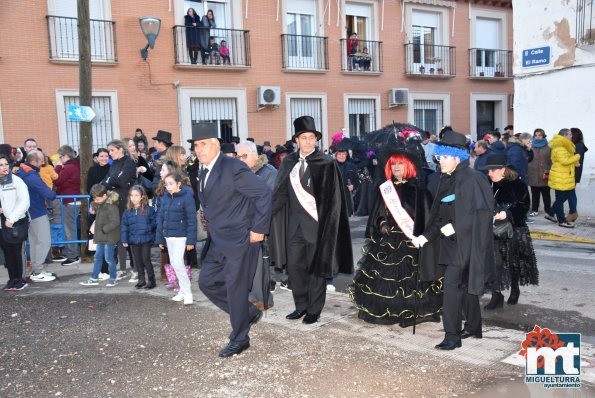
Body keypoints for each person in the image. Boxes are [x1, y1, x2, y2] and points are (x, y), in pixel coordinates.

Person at [191, 122, 272, 358]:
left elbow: (263, 193)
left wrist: (259, 228)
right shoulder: (203, 169)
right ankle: (247, 312)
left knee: (235, 289)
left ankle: (240, 338)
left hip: (240, 239)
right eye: (196, 145)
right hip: (218, 240)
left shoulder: (232, 167)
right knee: (207, 282)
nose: (199, 149)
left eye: (203, 144)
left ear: (215, 145)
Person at [414, 129, 494, 350]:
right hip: (450, 246)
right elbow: (439, 216)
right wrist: (425, 237)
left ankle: (452, 336)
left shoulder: (474, 179)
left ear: (458, 157)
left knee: (451, 288)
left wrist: (457, 227)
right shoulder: (446, 180)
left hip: (467, 246)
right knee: (465, 287)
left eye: (445, 157)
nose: (441, 161)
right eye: (439, 157)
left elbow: (483, 214)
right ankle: (473, 326)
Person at [270, 116, 353, 324]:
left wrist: (329, 228)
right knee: (296, 269)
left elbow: (334, 201)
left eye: (311, 138)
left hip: (317, 226)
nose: (307, 141)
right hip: (293, 226)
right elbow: (280, 194)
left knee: (317, 270)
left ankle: (314, 310)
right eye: (303, 138)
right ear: (296, 140)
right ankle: (301, 306)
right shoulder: (288, 162)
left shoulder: (326, 163)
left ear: (316, 140)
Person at [350, 148, 442, 326]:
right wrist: (382, 223)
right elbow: (378, 213)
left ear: (408, 165)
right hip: (387, 241)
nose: (396, 167)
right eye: (393, 164)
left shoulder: (419, 189)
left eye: (400, 163)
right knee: (385, 279)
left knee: (411, 279)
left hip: (411, 240)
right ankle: (388, 312)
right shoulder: (385, 189)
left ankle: (412, 310)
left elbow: (427, 217)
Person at [484, 154, 538, 310]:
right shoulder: (487, 183)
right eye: (488, 171)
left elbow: (524, 204)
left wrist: (507, 213)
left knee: (513, 262)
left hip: (513, 230)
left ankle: (515, 288)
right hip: (491, 230)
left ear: (502, 170)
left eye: (492, 170)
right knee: (495, 264)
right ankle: (497, 295)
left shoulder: (517, 184)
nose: (489, 174)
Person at [235, 140, 278, 310]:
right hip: (242, 224)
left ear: (255, 155)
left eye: (244, 156)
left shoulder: (268, 172)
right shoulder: (240, 174)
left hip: (260, 225)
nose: (240, 160)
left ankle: (261, 299)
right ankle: (249, 296)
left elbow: (266, 201)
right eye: (238, 156)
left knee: (260, 264)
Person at [156, 173, 197, 305]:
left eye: (171, 183)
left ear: (179, 183)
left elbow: (192, 220)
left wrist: (191, 240)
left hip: (181, 236)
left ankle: (187, 292)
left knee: (178, 263)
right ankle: (183, 291)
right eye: (166, 184)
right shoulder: (165, 197)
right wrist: (160, 239)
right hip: (168, 236)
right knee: (174, 264)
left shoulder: (187, 197)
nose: (168, 186)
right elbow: (161, 218)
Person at [16, 151, 56, 282]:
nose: (43, 163)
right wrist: (52, 193)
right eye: (41, 161)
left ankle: (36, 270)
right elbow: (48, 193)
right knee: (44, 241)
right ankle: (38, 270)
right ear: (34, 162)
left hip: (29, 212)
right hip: (37, 211)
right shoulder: (31, 176)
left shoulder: (22, 172)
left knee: (34, 243)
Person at [101, 139, 138, 281]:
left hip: (126, 204)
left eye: (112, 150)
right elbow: (105, 181)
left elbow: (122, 181)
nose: (110, 154)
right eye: (109, 151)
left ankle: (136, 269)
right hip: (115, 204)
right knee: (119, 238)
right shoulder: (115, 164)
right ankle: (122, 268)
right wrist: (113, 180)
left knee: (129, 237)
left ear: (121, 149)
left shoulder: (128, 162)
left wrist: (112, 181)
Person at [0, 154, 31, 291]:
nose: (4, 167)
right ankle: (12, 279)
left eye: (6, 164)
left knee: (17, 251)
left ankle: (20, 279)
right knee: (7, 252)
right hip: (2, 222)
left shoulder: (16, 181)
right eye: (1, 165)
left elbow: (24, 202)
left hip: (15, 221)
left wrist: (12, 219)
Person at [80, 185, 120, 287]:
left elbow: (115, 222)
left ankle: (113, 278)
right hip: (100, 236)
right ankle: (94, 278)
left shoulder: (112, 206)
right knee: (98, 258)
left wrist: (103, 229)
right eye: (94, 198)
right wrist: (93, 214)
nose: (96, 200)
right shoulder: (100, 205)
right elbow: (99, 220)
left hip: (109, 237)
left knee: (109, 258)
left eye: (97, 198)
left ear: (105, 196)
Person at [121, 185, 156, 289]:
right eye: (131, 195)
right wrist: (124, 239)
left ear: (142, 196)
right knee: (137, 261)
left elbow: (155, 222)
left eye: (136, 195)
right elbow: (124, 226)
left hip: (145, 239)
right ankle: (141, 280)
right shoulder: (127, 212)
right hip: (133, 240)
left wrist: (148, 228)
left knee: (146, 260)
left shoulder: (148, 209)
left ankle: (151, 280)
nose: (133, 198)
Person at [544, 128, 581, 228]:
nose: (571, 136)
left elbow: (565, 161)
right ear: (564, 136)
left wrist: (574, 162)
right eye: (569, 134)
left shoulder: (563, 146)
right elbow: (564, 161)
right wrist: (577, 157)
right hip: (561, 177)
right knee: (561, 198)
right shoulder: (560, 147)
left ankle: (551, 213)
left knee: (561, 198)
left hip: (563, 176)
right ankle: (561, 220)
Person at [54, 145, 81, 266]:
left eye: (61, 157)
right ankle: (70, 253)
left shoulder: (69, 167)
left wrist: (58, 166)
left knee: (69, 229)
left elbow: (57, 180)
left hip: (69, 201)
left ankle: (73, 255)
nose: (60, 159)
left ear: (66, 156)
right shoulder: (75, 166)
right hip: (72, 200)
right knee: (69, 228)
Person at [527, 129, 552, 217]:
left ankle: (548, 211)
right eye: (536, 135)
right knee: (534, 194)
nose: (537, 137)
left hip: (544, 174)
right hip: (532, 173)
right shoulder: (530, 146)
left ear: (543, 136)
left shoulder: (549, 147)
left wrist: (550, 170)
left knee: (546, 194)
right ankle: (534, 210)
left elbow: (552, 160)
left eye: (540, 135)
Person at [333, 139, 359, 217]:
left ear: (346, 155)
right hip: (334, 197)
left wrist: (353, 186)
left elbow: (356, 180)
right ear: (336, 155)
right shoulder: (330, 166)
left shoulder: (352, 166)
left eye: (343, 154)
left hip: (347, 197)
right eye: (339, 154)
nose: (341, 156)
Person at [569, 127, 588, 222]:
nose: (569, 135)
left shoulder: (579, 145)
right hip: (571, 173)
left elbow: (577, 160)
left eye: (570, 133)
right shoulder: (574, 144)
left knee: (569, 193)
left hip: (574, 173)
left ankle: (572, 213)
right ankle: (573, 213)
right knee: (570, 193)